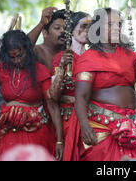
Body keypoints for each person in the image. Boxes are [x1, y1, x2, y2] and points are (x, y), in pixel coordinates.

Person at [64, 8, 136, 161]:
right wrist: (84, 125)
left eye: (118, 25)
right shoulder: (88, 57)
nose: (116, 28)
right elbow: (81, 96)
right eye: (110, 24)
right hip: (101, 128)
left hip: (128, 127)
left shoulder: (129, 54)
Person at [0, 30, 64, 160]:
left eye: (20, 55)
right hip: (7, 132)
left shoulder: (40, 70)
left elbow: (52, 106)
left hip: (35, 131)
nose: (16, 60)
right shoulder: (1, 68)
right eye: (12, 57)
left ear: (27, 50)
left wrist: (59, 141)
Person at [49, 11, 91, 160]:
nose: (87, 30)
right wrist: (61, 67)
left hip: (91, 118)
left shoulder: (94, 57)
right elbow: (53, 96)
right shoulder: (60, 58)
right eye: (83, 26)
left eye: (90, 27)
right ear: (72, 29)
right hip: (67, 120)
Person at [27, 7, 65, 71]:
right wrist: (41, 23)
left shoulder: (69, 54)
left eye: (65, 28)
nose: (63, 31)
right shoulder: (36, 51)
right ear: (45, 33)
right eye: (57, 28)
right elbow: (23, 47)